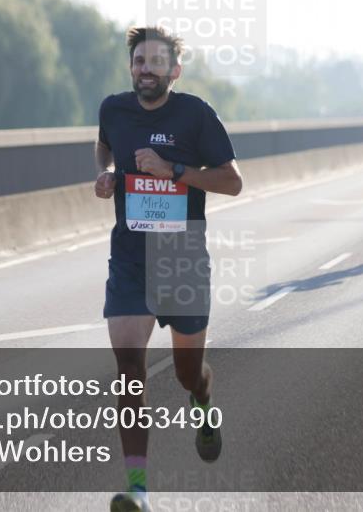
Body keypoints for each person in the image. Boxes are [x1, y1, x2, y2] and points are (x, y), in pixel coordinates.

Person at [95, 26, 243, 512]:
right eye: (139, 61)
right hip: (131, 260)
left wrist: (173, 171)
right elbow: (105, 145)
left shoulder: (196, 115)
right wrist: (108, 174)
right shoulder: (113, 110)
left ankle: (203, 404)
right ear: (131, 67)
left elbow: (233, 182)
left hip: (181, 258)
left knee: (185, 374)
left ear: (174, 71)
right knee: (129, 371)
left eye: (157, 62)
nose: (147, 69)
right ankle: (138, 489)